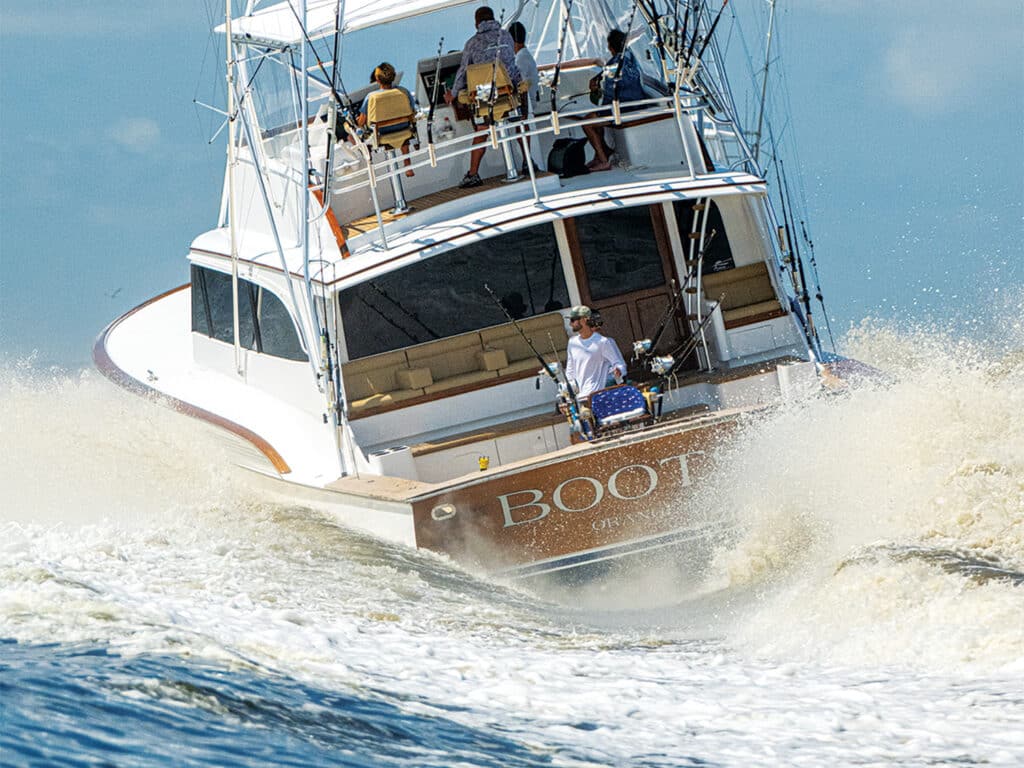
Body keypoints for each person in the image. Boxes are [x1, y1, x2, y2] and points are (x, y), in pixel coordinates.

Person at [444, 6, 522, 188]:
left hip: (486, 103)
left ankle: (473, 174)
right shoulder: (506, 36)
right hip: (509, 98)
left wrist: (452, 94)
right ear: (493, 18)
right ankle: (527, 162)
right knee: (520, 122)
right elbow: (512, 65)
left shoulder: (472, 44)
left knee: (481, 130)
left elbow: (463, 72)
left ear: (476, 23)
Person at [582, 29, 645, 171]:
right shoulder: (630, 58)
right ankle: (602, 153)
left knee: (587, 123)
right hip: (636, 102)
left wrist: (597, 92)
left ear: (610, 47)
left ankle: (603, 161)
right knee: (596, 119)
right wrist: (598, 77)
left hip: (625, 107)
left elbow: (611, 94)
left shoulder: (613, 66)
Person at [357, 62, 417, 177]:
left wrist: (358, 120)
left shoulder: (371, 97)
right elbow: (412, 110)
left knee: (360, 131)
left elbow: (361, 122)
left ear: (377, 79)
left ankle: (370, 163)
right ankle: (407, 163)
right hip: (404, 130)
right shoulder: (403, 92)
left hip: (381, 134)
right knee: (403, 130)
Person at [564, 305, 626, 398]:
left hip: (597, 395)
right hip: (580, 397)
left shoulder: (603, 342)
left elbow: (619, 364)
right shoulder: (572, 342)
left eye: (573, 320)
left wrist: (618, 371)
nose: (570, 324)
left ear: (584, 320)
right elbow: (570, 370)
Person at [508, 21, 539, 175]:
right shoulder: (524, 55)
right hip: (527, 101)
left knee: (519, 127)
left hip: (527, 103)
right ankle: (526, 159)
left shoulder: (521, 59)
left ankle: (528, 160)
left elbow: (520, 85)